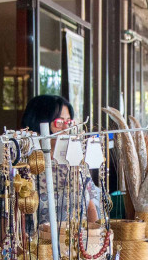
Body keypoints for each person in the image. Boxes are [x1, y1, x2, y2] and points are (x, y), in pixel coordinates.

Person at [20, 94, 99, 223]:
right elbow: (8, 216)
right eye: (59, 122)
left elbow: (91, 208)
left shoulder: (75, 159)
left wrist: (95, 236)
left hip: (79, 239)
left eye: (68, 122)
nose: (65, 128)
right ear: (39, 122)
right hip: (38, 241)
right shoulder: (25, 165)